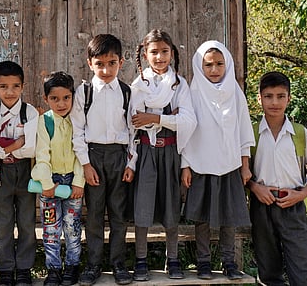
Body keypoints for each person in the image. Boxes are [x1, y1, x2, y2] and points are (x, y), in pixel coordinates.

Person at [181, 40, 254, 280]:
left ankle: (229, 262)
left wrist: (244, 166)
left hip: (230, 165)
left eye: (220, 64)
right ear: (199, 65)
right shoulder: (192, 93)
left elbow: (244, 131)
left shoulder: (235, 92)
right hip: (201, 164)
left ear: (228, 64)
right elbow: (187, 131)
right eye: (208, 64)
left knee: (229, 216)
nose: (214, 69)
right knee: (202, 218)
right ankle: (203, 262)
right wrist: (186, 165)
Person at [130, 29, 196, 281]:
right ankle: (141, 259)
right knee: (143, 206)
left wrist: (155, 118)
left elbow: (189, 122)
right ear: (145, 55)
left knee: (171, 205)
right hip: (146, 151)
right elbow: (135, 122)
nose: (160, 57)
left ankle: (173, 258)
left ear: (172, 53)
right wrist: (170, 118)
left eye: (164, 51)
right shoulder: (139, 85)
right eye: (154, 52)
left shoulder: (179, 84)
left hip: (171, 153)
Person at [70, 34, 136, 286]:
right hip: (94, 156)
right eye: (100, 63)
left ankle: (119, 263)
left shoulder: (128, 93)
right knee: (95, 214)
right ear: (90, 63)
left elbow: (133, 133)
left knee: (118, 215)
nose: (106, 69)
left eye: (112, 63)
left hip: (119, 157)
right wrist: (86, 165)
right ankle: (94, 264)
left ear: (121, 62)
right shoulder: (84, 92)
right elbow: (77, 131)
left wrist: (131, 163)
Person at [247, 71, 307, 285]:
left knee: (302, 270)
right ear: (259, 98)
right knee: (268, 270)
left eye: (281, 96)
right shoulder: (250, 134)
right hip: (261, 205)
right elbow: (241, 171)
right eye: (269, 96)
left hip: (293, 206)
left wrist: (301, 194)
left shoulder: (299, 134)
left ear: (289, 98)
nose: (275, 102)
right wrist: (255, 188)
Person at [0, 61, 39, 286]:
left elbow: (32, 147)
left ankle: (24, 268)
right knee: (3, 222)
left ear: (23, 87)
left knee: (26, 222)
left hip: (24, 171)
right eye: (3, 86)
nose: (10, 92)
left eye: (15, 86)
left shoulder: (30, 112)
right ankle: (6, 269)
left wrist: (4, 146)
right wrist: (16, 144)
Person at [31, 71, 85, 286]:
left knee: (72, 228)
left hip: (73, 182)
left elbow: (81, 151)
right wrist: (46, 184)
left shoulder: (78, 121)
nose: (61, 103)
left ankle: (73, 266)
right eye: (54, 98)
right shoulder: (44, 122)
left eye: (66, 98)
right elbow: (42, 155)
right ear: (46, 99)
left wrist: (79, 182)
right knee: (51, 229)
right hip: (50, 182)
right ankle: (53, 269)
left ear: (73, 97)